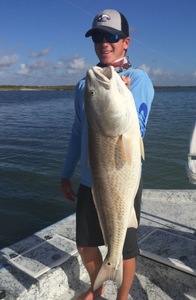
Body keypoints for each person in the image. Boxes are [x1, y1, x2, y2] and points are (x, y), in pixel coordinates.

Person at [61, 9, 154, 300]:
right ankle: (97, 291)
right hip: (90, 180)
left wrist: (123, 95)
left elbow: (135, 129)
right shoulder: (86, 85)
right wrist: (66, 172)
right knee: (84, 244)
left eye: (111, 37)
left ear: (125, 42)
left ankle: (122, 298)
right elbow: (78, 132)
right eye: (98, 37)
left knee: (124, 246)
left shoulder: (137, 80)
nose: (105, 43)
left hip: (122, 181)